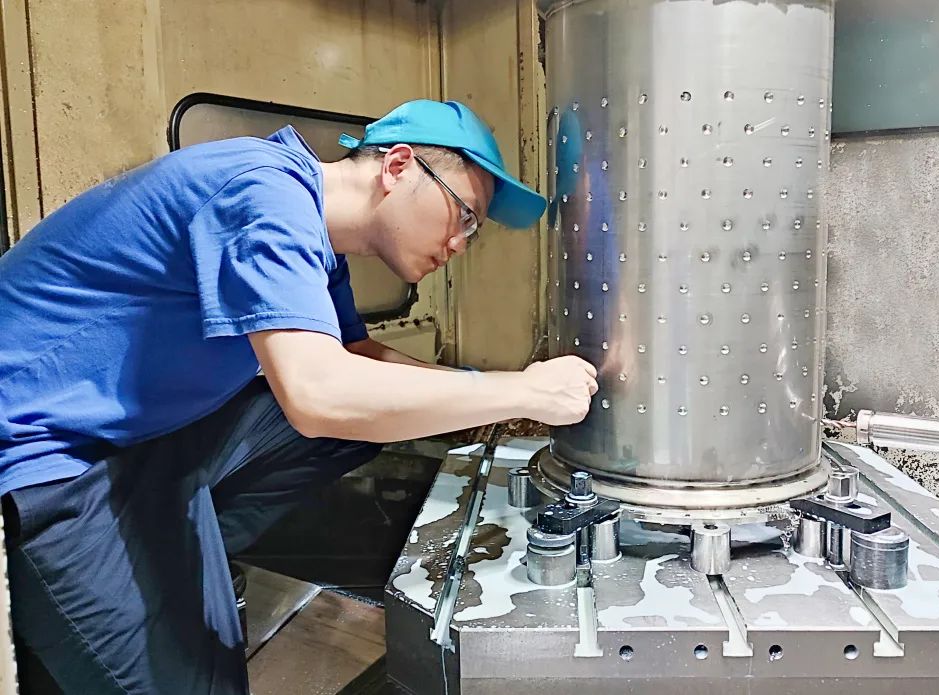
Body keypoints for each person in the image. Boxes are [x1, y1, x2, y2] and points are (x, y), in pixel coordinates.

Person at [0, 98, 597, 694]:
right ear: (397, 167)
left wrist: (484, 412)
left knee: (358, 422)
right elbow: (320, 395)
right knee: (202, 684)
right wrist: (523, 391)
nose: (462, 243)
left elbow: (357, 360)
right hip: (45, 455)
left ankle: (184, 544)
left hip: (142, 439)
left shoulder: (315, 237)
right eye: (464, 215)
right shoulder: (263, 192)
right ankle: (144, 584)